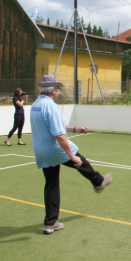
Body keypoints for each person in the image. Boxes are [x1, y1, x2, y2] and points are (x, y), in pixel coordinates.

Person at [30, 75, 113, 234]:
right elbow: (59, 136)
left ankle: (50, 222)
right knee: (81, 160)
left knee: (51, 184)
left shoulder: (35, 105)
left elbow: (56, 126)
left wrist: (75, 129)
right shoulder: (51, 106)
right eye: (58, 89)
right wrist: (72, 156)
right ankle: (98, 182)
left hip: (41, 151)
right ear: (53, 90)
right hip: (55, 150)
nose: (59, 92)